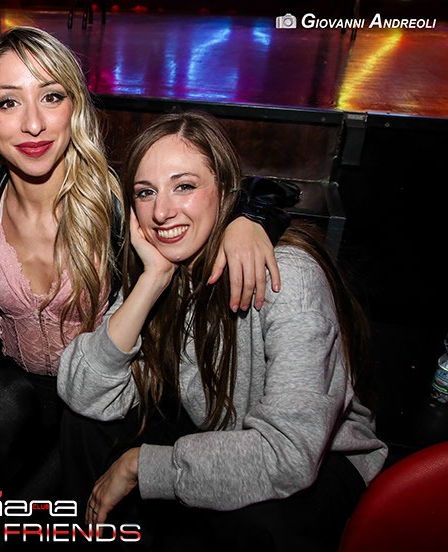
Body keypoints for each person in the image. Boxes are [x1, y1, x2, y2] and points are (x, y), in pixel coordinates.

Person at [0, 27, 289, 546]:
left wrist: (250, 218)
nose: (33, 123)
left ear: (75, 106)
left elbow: (225, 187)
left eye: (52, 96)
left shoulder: (119, 201)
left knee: (20, 527)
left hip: (104, 402)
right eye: (7, 102)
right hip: (16, 392)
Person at [57, 111, 388, 551]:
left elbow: (288, 454)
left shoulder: (287, 276)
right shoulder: (164, 267)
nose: (161, 211)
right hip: (219, 433)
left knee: (253, 523)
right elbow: (83, 393)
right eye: (145, 192)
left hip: (319, 466)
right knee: (85, 425)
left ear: (227, 192)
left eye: (184, 186)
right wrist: (151, 281)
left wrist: (143, 466)